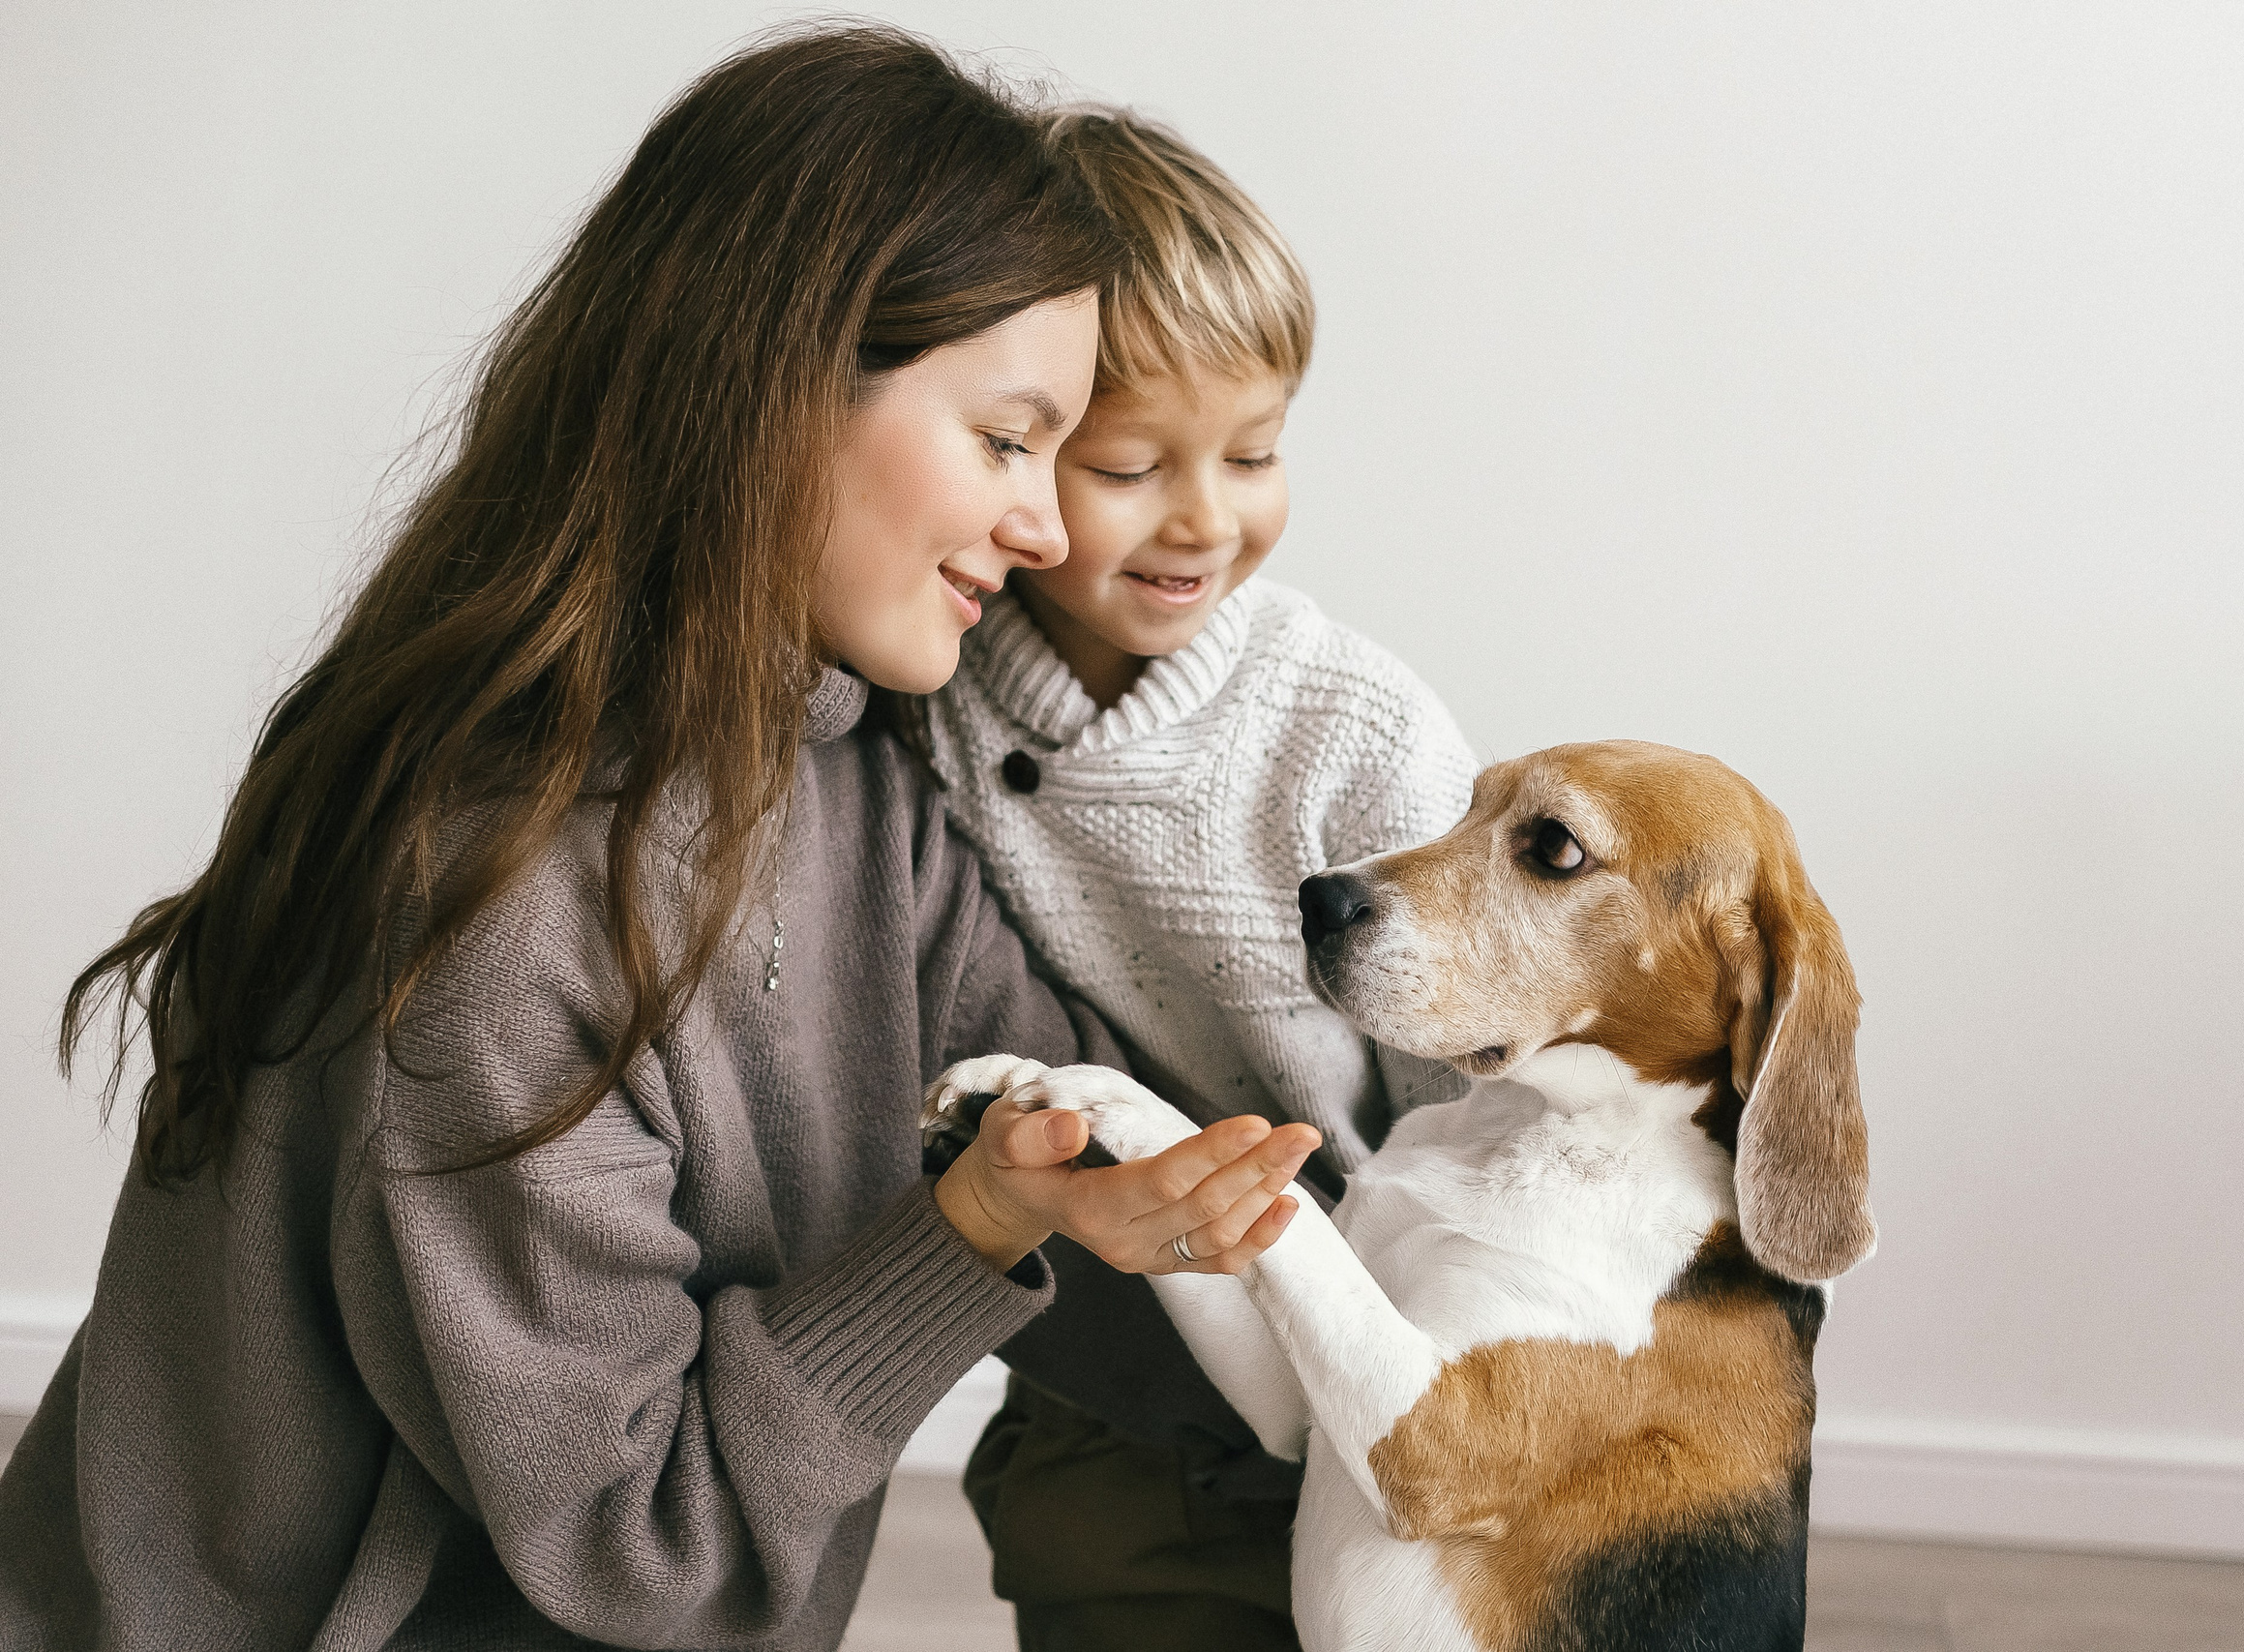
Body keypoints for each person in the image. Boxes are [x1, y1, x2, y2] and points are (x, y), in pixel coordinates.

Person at [0, 27, 1323, 1651]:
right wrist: (975, 1225)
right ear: (781, 382)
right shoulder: (480, 906)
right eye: (1005, 438)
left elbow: (1101, 1167)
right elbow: (647, 1545)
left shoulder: (857, 783)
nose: (1048, 526)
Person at [908, 109, 1480, 1652]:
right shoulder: (925, 688)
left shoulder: (1354, 734)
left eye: (1254, 454)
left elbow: (1471, 1100)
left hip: (1373, 1348)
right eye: (1130, 465)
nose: (1204, 519)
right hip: (1112, 1397)